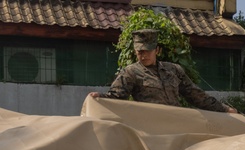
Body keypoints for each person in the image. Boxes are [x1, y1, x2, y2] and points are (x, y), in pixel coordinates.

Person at [89, 29, 237, 113]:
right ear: (135, 52)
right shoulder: (131, 72)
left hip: (178, 126)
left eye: (147, 51)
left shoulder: (174, 70)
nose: (143, 55)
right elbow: (115, 97)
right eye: (140, 51)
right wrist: (99, 97)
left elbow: (195, 95)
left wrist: (224, 109)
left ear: (157, 50)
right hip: (151, 130)